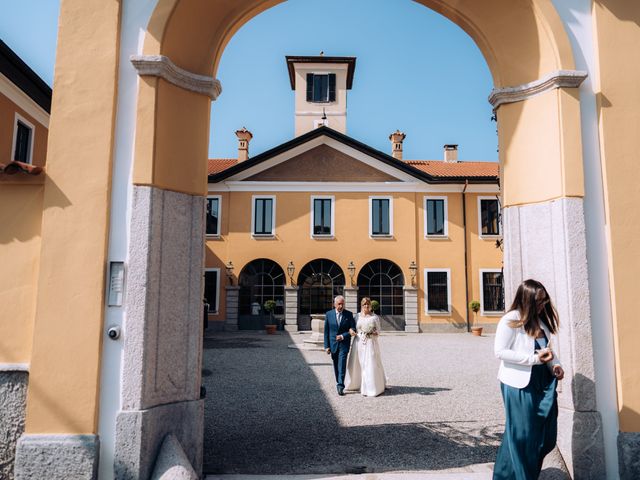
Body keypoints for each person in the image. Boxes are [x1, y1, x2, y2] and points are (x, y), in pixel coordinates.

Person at [493, 279, 565, 480]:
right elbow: (500, 352)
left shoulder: (541, 322)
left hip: (543, 382)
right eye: (539, 301)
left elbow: (547, 350)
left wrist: (555, 365)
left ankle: (504, 475)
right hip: (518, 384)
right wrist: (534, 359)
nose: (543, 305)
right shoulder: (511, 319)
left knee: (546, 436)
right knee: (522, 435)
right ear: (527, 300)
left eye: (545, 300)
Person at [345, 297, 386, 397]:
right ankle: (355, 383)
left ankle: (370, 388)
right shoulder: (357, 316)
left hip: (370, 342)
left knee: (369, 363)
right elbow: (352, 327)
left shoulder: (374, 317)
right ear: (361, 306)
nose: (366, 306)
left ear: (370, 306)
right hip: (358, 342)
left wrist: (374, 332)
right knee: (356, 363)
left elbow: (379, 331)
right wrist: (351, 331)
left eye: (368, 304)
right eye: (364, 304)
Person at [324, 295, 356, 396]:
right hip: (333, 345)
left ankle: (340, 385)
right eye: (339, 304)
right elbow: (326, 332)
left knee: (342, 364)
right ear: (334, 304)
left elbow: (353, 329)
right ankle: (338, 381)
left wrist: (343, 336)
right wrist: (326, 346)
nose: (341, 306)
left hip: (344, 344)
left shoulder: (349, 314)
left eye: (342, 304)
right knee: (336, 365)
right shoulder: (329, 314)